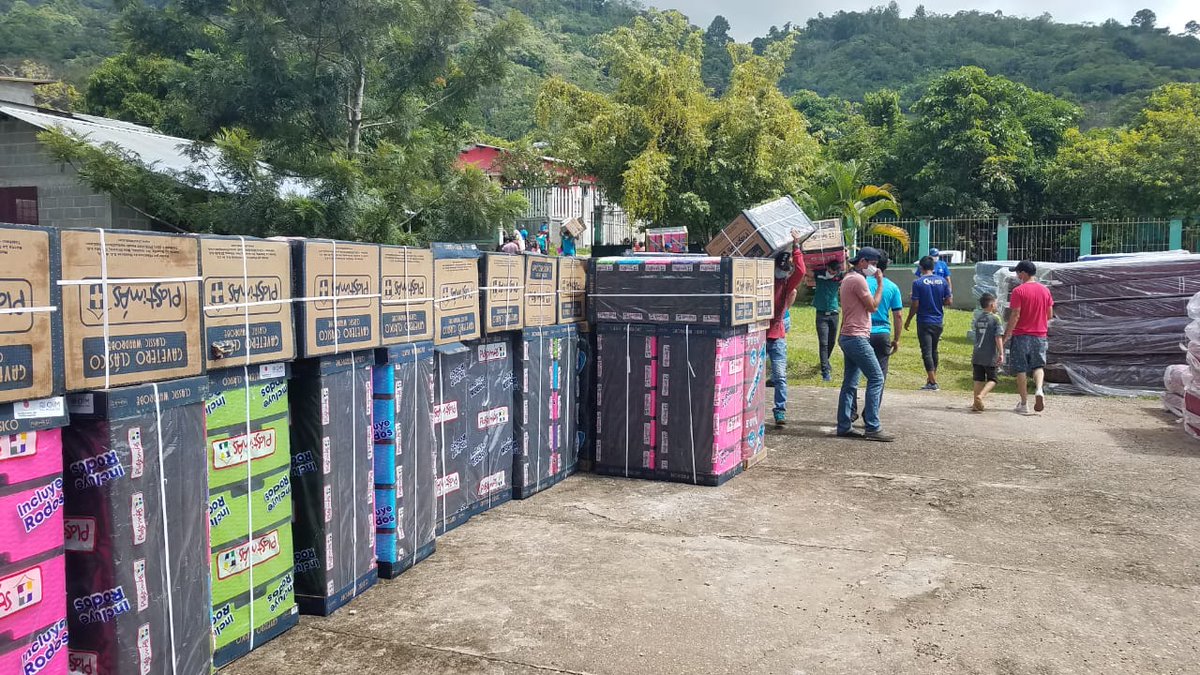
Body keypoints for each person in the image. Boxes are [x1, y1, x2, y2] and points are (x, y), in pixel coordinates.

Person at [835, 247, 893, 442]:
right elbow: (873, 306)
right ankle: (873, 426)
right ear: (862, 262)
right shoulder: (859, 280)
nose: (875, 268)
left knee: (850, 383)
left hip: (849, 335)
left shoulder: (848, 278)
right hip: (857, 337)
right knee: (876, 378)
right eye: (873, 264)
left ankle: (844, 425)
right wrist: (880, 283)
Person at [1004, 260, 1053, 415]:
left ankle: (1024, 404)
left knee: (1021, 369)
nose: (1017, 275)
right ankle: (1039, 390)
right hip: (1040, 335)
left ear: (1024, 273)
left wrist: (1007, 333)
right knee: (1038, 366)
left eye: (1018, 272)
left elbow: (1015, 314)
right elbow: (1049, 314)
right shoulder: (1045, 290)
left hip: (1021, 335)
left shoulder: (1018, 291)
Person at [767, 241, 806, 428]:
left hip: (777, 336)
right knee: (752, 378)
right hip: (757, 336)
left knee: (780, 376)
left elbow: (801, 271)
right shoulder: (763, 282)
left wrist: (797, 248)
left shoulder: (786, 284)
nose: (783, 272)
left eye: (786, 270)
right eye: (780, 269)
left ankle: (780, 411)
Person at [905, 255, 952, 391]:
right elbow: (949, 301)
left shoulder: (918, 283)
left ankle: (933, 381)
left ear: (921, 267)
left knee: (926, 351)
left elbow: (915, 304)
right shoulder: (942, 281)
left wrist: (908, 319)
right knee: (934, 350)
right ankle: (931, 380)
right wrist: (937, 302)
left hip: (924, 321)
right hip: (938, 320)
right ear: (933, 267)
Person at [971, 292, 1004, 412]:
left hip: (977, 354)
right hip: (989, 355)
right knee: (993, 379)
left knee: (978, 379)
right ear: (991, 305)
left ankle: (975, 404)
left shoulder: (978, 317)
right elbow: (998, 337)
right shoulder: (995, 319)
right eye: (995, 303)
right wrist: (1001, 353)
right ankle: (981, 396)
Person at [812, 259, 844, 382]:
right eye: (830, 271)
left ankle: (825, 361)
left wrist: (846, 258)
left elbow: (850, 271)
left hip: (834, 313)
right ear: (827, 268)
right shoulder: (819, 275)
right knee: (823, 343)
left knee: (831, 342)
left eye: (834, 272)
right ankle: (825, 371)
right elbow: (809, 271)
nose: (832, 273)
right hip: (821, 314)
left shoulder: (839, 277)